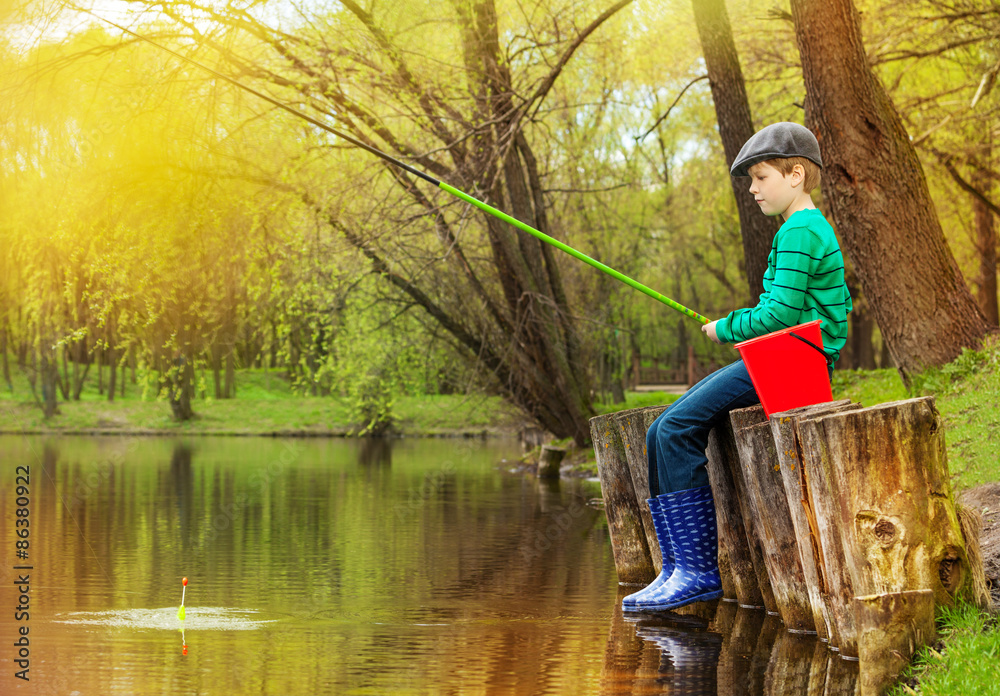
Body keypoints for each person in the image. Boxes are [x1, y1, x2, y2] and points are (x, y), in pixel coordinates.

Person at [623, 122, 852, 612]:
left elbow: (779, 315)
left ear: (795, 175)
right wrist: (741, 329)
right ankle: (676, 566)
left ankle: (698, 572)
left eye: (760, 177)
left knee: (676, 429)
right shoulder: (803, 228)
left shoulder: (801, 230)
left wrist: (726, 327)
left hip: (796, 361)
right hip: (786, 354)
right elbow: (784, 310)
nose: (752, 188)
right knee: (659, 429)